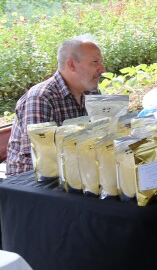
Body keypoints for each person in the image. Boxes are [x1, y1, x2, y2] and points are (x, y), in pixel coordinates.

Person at [6, 36, 105, 176]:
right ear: (71, 65)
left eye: (101, 62)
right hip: (33, 183)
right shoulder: (41, 98)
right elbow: (40, 159)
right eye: (95, 62)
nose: (102, 69)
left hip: (76, 172)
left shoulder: (91, 92)